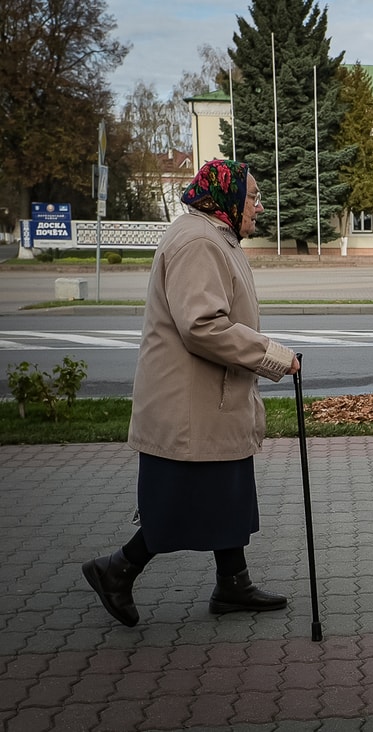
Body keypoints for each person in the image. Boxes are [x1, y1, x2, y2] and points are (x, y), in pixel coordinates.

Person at [82, 159, 300, 627]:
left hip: (207, 403)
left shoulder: (214, 235)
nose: (259, 207)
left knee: (227, 495)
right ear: (227, 197)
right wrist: (274, 355)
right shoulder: (199, 241)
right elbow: (203, 325)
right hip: (188, 408)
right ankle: (115, 571)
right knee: (180, 504)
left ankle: (232, 584)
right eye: (254, 197)